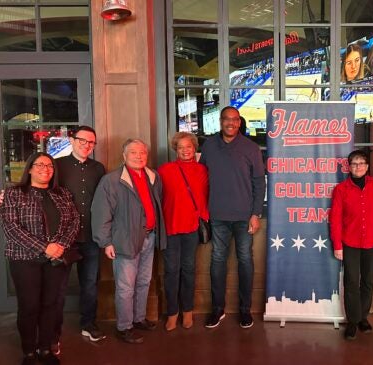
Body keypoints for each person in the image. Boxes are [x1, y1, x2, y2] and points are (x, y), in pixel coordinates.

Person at [0, 126, 107, 350]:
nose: (86, 145)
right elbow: (14, 222)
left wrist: (60, 245)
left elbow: (87, 210)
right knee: (42, 300)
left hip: (81, 241)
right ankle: (41, 343)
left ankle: (69, 334)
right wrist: (46, 246)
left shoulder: (95, 171)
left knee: (75, 291)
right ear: (73, 140)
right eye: (82, 140)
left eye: (91, 142)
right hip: (41, 249)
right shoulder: (50, 169)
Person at [0, 152, 80, 365]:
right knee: (29, 306)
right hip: (24, 259)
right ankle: (29, 351)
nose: (45, 169)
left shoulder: (62, 193)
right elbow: (11, 228)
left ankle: (45, 349)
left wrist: (60, 246)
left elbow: (73, 222)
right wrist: (45, 247)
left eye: (50, 166)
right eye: (40, 165)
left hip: (56, 259)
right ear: (30, 168)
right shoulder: (14, 193)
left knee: (50, 305)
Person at [91, 139, 167, 344]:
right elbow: (101, 213)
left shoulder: (153, 176)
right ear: (124, 156)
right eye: (133, 152)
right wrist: (106, 242)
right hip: (124, 240)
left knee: (143, 281)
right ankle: (124, 327)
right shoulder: (112, 181)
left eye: (142, 152)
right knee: (125, 286)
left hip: (149, 237)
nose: (139, 156)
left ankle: (139, 318)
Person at [199, 106, 266, 329]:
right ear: (220, 121)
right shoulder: (209, 146)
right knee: (217, 261)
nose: (231, 123)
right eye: (226, 119)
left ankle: (245, 310)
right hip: (217, 215)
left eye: (235, 120)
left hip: (244, 216)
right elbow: (201, 179)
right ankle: (218, 309)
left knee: (245, 260)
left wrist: (256, 213)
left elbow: (259, 182)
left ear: (240, 122)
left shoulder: (251, 148)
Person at [158, 132, 209, 331]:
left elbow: (207, 195)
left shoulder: (203, 170)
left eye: (189, 146)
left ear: (194, 148)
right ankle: (172, 313)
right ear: (175, 150)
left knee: (188, 270)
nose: (185, 150)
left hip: (192, 228)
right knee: (171, 271)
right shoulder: (164, 170)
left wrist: (203, 216)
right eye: (181, 147)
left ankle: (188, 311)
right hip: (170, 227)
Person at [329, 150, 373, 340]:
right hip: (349, 242)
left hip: (372, 241)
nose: (358, 167)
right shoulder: (341, 189)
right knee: (351, 282)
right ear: (348, 167)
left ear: (367, 167)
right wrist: (337, 245)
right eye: (354, 164)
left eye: (361, 163)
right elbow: (335, 219)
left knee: (367, 281)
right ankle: (352, 321)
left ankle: (363, 318)